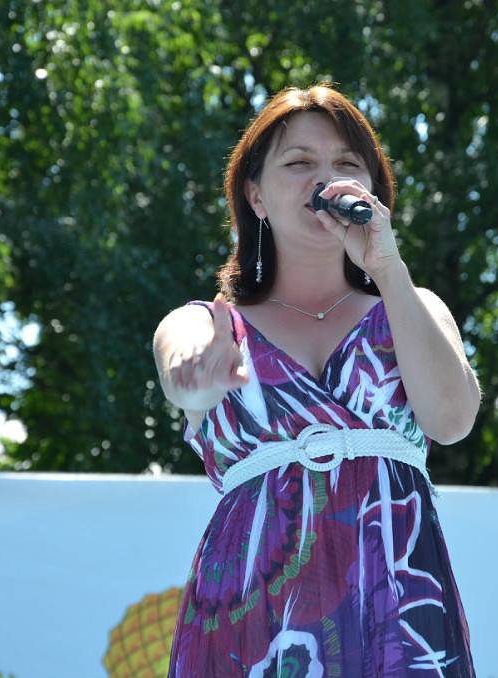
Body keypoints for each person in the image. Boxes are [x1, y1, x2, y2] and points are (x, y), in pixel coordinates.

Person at [152, 82, 481, 677]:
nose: (326, 179)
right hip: (255, 612)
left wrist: (387, 268)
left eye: (346, 164)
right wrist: (197, 379)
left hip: (396, 604)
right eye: (299, 163)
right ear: (255, 195)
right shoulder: (206, 321)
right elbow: (183, 378)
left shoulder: (415, 308)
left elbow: (452, 420)